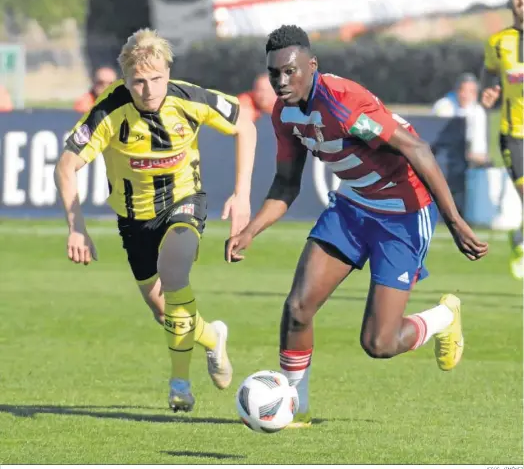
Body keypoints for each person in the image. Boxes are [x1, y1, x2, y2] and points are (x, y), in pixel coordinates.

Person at [225, 25, 488, 428]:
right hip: (352, 206)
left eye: (290, 71)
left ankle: (444, 318)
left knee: (379, 344)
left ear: (311, 66)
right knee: (298, 308)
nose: (281, 81)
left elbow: (416, 147)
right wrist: (250, 231)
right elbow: (286, 183)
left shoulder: (344, 104)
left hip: (402, 214)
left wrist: (454, 222)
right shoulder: (285, 113)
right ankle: (297, 409)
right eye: (274, 73)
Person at [55, 28, 257, 412]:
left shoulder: (189, 98)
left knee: (176, 273)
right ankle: (212, 337)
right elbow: (66, 166)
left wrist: (242, 193)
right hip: (134, 220)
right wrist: (75, 225)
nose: (149, 89)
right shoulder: (109, 110)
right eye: (138, 82)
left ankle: (179, 383)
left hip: (184, 201)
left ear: (168, 71)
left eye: (157, 79)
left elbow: (244, 125)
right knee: (164, 311)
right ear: (126, 80)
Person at [481, 0, 523, 280]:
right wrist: (491, 90)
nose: (522, 0)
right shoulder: (498, 41)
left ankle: (520, 236)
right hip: (514, 134)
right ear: (511, 2)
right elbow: (490, 75)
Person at [432, 73, 489, 167]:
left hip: (466, 161)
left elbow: (479, 153)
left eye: (471, 92)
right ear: (456, 91)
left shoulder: (478, 112)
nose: (466, 95)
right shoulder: (442, 106)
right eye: (463, 90)